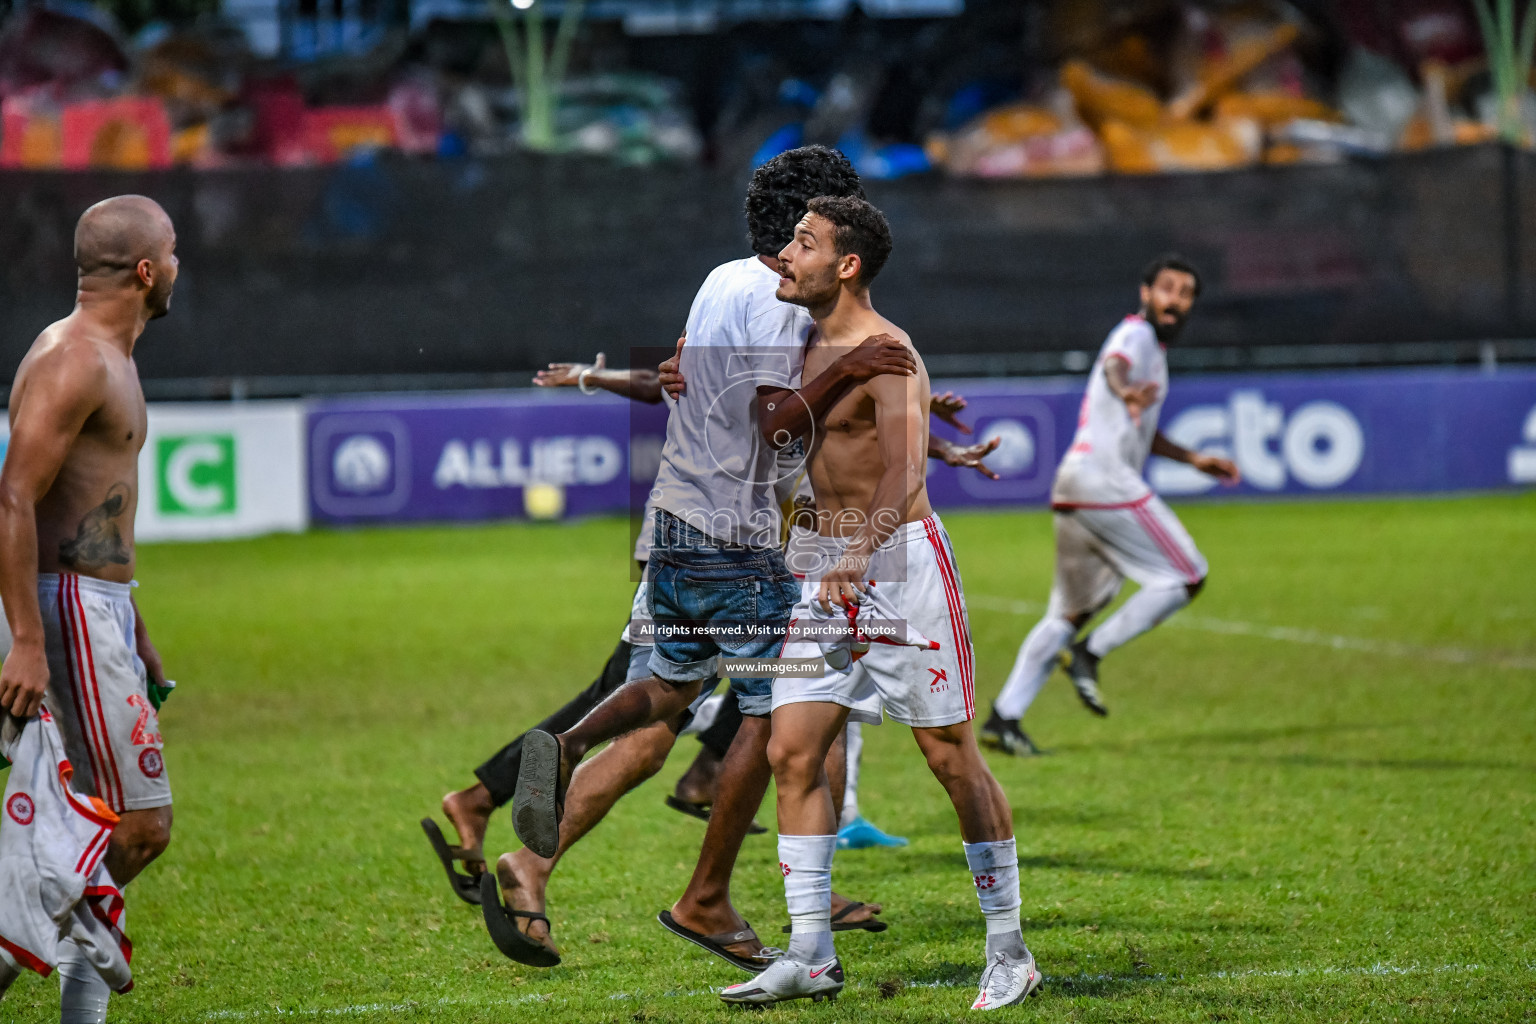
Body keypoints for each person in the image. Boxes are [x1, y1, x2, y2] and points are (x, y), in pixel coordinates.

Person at [487, 147, 905, 969]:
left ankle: (544, 821)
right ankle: (710, 898)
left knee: (662, 702)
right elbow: (773, 423)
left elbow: (680, 377)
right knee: (781, 714)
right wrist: (854, 368)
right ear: (802, 228)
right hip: (738, 537)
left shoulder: (721, 279)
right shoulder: (784, 304)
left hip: (673, 524)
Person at [719, 196, 1040, 1010]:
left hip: (897, 563)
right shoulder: (799, 342)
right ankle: (811, 955)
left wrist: (860, 548)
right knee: (793, 753)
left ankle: (1010, 950)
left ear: (847, 264)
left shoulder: (890, 348)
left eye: (804, 242)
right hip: (824, 569)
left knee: (949, 756)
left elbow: (901, 472)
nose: (786, 255)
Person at [0, 195, 180, 1024]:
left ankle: (68, 959)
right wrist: (30, 642)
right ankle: (25, 926)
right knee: (137, 828)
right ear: (146, 271)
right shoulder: (76, 358)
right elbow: (15, 497)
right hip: (64, 611)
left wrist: (131, 623)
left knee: (99, 823)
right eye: (174, 253)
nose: (181, 268)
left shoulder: (110, 353)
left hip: (95, 608)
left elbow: (93, 511)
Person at [980, 255, 1240, 757]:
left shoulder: (1154, 353)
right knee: (1187, 575)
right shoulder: (1136, 334)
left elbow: (1142, 427)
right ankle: (1091, 653)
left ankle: (1006, 717)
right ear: (1145, 292)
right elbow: (1115, 367)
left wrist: (1193, 459)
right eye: (1167, 288)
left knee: (1068, 612)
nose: (1176, 300)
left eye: (1186, 293)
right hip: (1103, 479)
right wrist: (1125, 391)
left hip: (1076, 482)